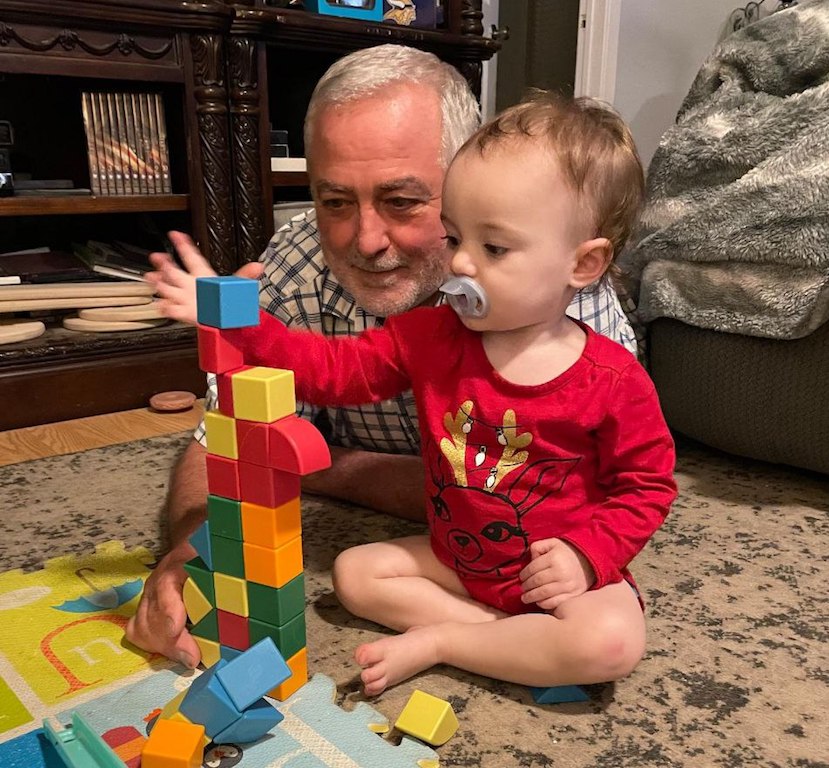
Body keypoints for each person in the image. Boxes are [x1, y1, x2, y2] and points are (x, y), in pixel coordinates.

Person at [126, 44, 640, 668]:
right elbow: (278, 402)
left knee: (611, 639)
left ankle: (502, 639)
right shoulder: (351, 300)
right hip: (455, 553)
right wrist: (235, 315)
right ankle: (494, 642)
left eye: (402, 201)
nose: (366, 240)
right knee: (354, 575)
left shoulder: (586, 329)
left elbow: (637, 485)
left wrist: (587, 554)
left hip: (541, 558)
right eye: (335, 202)